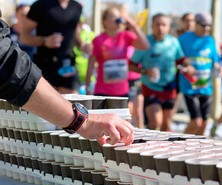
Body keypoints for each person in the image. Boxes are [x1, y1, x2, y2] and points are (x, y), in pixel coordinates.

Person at [0, 15, 134, 145]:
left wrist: (81, 44)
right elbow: (8, 66)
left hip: (67, 72)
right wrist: (83, 122)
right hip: (44, 70)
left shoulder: (75, 8)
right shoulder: (41, 6)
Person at [130, 13, 190, 132]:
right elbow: (131, 65)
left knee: (166, 126)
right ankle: (149, 146)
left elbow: (182, 60)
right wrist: (145, 71)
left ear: (168, 27)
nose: (160, 28)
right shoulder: (145, 43)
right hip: (150, 88)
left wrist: (189, 66)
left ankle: (164, 149)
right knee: (156, 122)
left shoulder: (173, 42)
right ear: (152, 26)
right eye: (157, 24)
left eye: (164, 25)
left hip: (169, 88)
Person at [20, 0, 84, 94]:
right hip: (45, 63)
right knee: (45, 102)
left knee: (72, 102)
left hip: (67, 63)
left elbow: (74, 32)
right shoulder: (40, 5)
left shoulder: (77, 6)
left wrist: (82, 45)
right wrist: (44, 41)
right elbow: (24, 37)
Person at [85, 7, 149, 100]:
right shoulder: (98, 40)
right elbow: (90, 65)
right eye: (113, 16)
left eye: (118, 17)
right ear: (105, 21)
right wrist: (88, 87)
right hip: (102, 91)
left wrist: (133, 26)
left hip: (122, 91)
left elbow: (145, 46)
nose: (117, 19)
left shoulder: (126, 36)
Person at [178, 12, 221, 135]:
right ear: (195, 24)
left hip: (205, 87)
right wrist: (184, 67)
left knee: (204, 123)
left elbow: (216, 61)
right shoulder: (184, 39)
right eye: (203, 25)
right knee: (196, 121)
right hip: (189, 87)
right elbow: (176, 60)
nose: (206, 28)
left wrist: (219, 68)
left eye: (208, 25)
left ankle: (196, 150)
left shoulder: (210, 40)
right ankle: (179, 143)